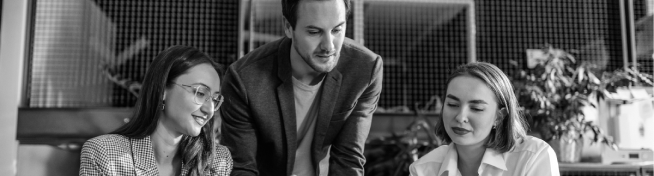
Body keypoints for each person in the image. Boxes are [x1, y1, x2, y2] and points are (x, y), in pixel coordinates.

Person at [219, 0, 382, 175]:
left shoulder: (365, 69)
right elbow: (241, 168)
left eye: (337, 30)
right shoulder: (244, 79)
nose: (329, 46)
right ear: (288, 27)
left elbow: (348, 160)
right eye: (314, 32)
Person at [79, 46, 232, 176]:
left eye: (214, 99)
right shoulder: (105, 154)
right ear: (163, 91)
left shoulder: (218, 162)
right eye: (200, 93)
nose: (209, 109)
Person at [409, 62, 559, 176]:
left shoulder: (533, 157)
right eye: (452, 104)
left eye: (476, 108)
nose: (461, 117)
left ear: (500, 117)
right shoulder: (423, 170)